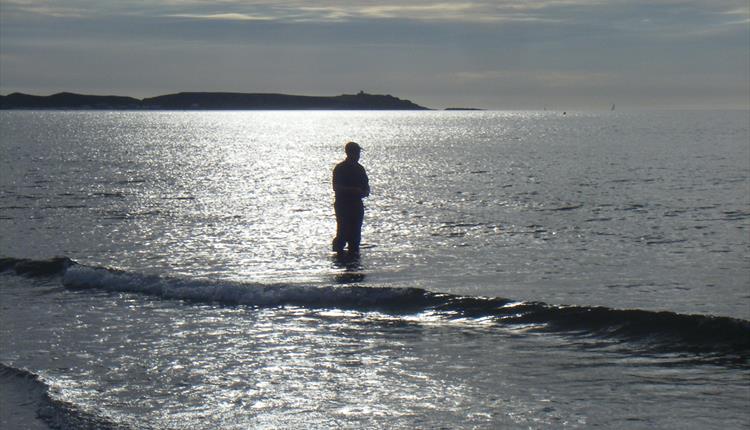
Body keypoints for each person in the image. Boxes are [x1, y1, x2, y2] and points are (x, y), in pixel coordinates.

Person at [332, 141, 370, 255]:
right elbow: (336, 187)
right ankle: (338, 260)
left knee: (355, 236)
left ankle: (354, 262)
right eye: (357, 152)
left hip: (356, 205)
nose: (358, 155)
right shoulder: (340, 168)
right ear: (350, 153)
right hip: (343, 205)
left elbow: (366, 186)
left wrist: (365, 192)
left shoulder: (360, 169)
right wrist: (353, 190)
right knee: (342, 233)